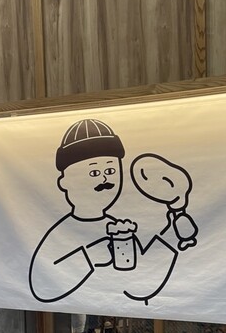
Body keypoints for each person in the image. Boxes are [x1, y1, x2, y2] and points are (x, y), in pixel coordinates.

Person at [29, 119, 196, 306]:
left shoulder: (117, 228)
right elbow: (41, 286)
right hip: (80, 314)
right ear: (64, 182)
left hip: (115, 313)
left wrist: (172, 235)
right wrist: (91, 256)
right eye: (94, 173)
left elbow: (139, 283)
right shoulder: (62, 232)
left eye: (110, 170)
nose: (104, 179)